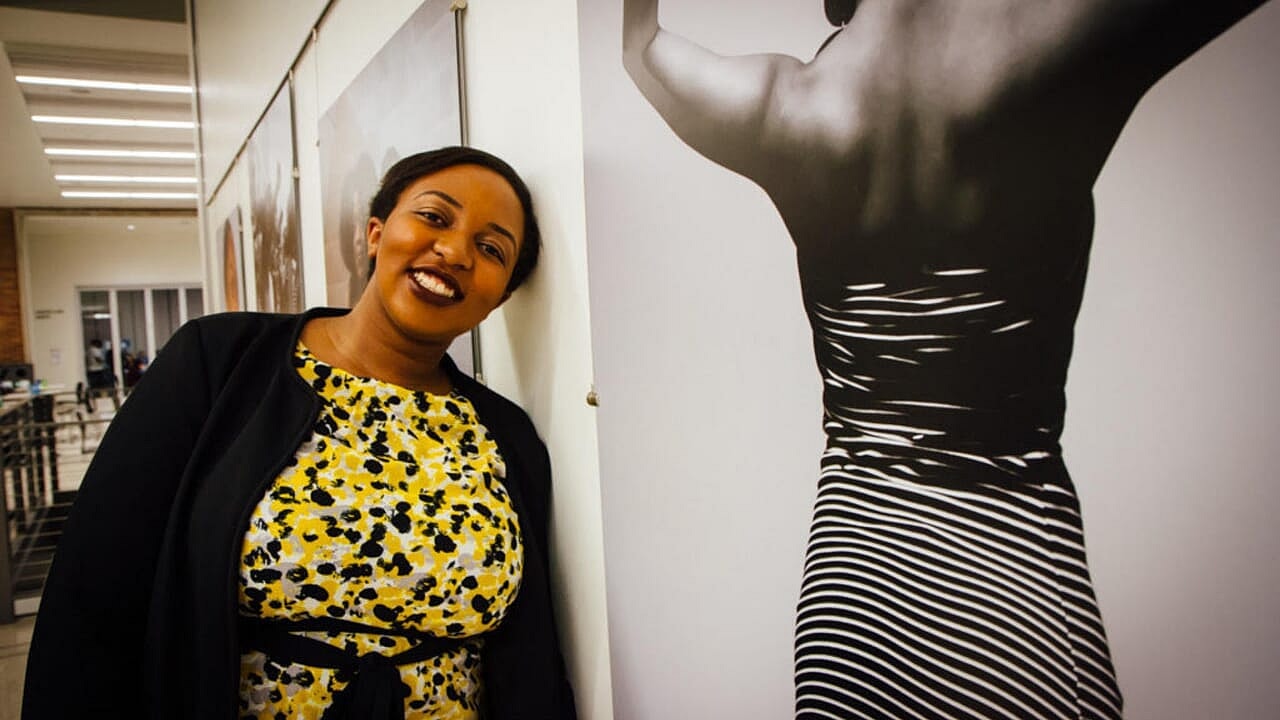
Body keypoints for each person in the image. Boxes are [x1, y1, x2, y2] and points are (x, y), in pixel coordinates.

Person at [623, 0, 1268, 718]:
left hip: (853, 594)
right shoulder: (1049, 46)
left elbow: (641, 48)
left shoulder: (782, 104)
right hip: (1012, 591)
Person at [23, 146, 577, 720]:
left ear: (500, 296)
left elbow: (529, 655)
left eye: (491, 249)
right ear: (375, 233)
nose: (455, 251)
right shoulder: (219, 364)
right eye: (435, 217)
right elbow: (97, 592)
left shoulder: (505, 435)